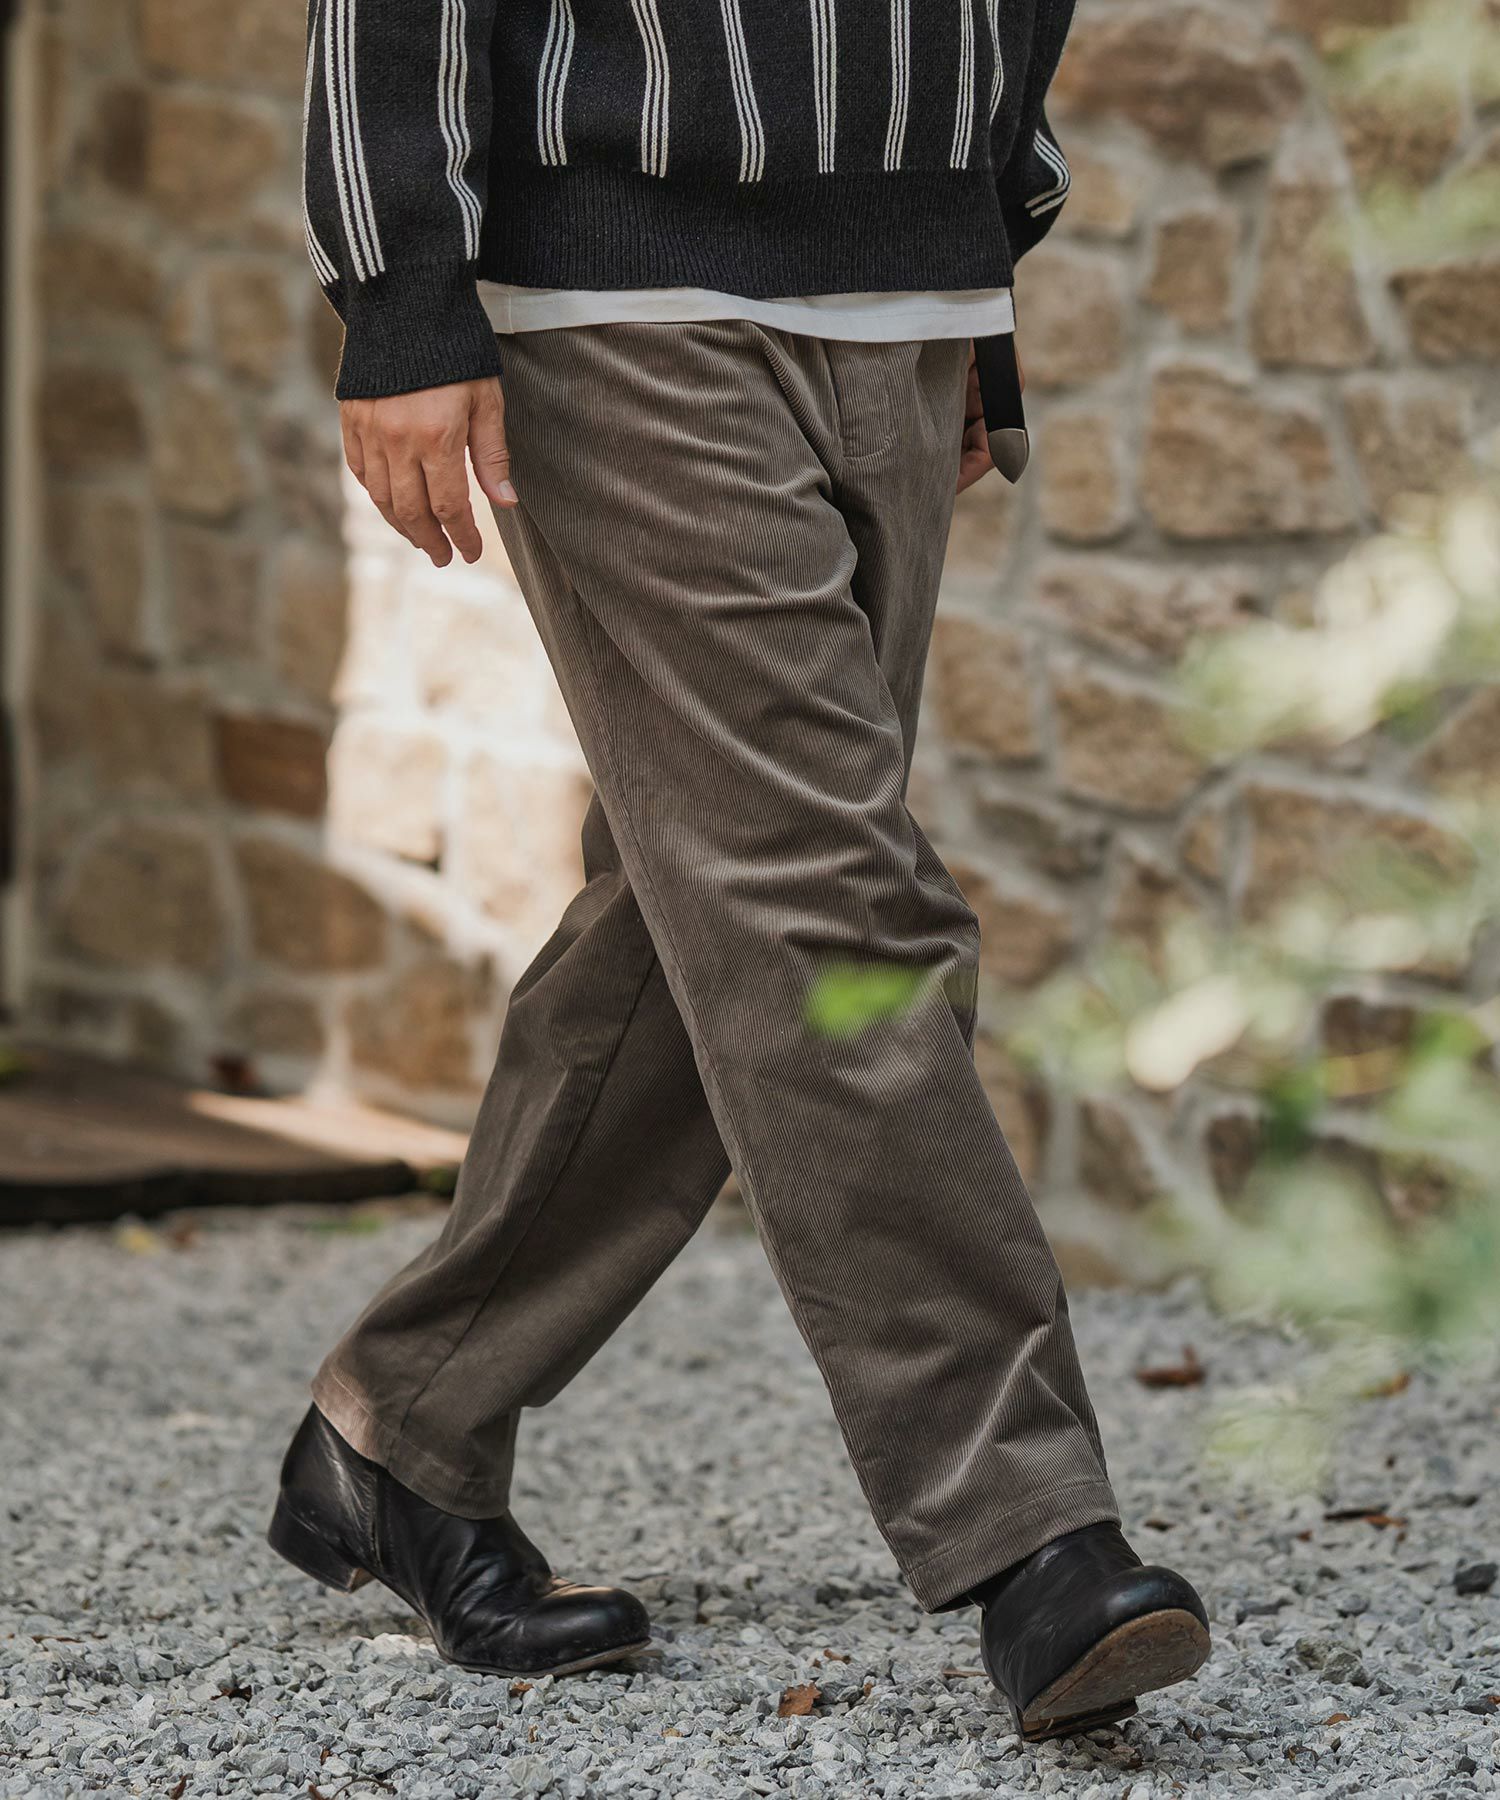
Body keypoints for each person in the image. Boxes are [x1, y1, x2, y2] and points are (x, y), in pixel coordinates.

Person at [271, 0, 1211, 1742]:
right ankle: (1029, 1528)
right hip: (615, 295)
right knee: (829, 910)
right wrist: (402, 289)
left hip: (910, 296)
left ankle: (403, 1428)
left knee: (698, 908)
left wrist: (983, 260)